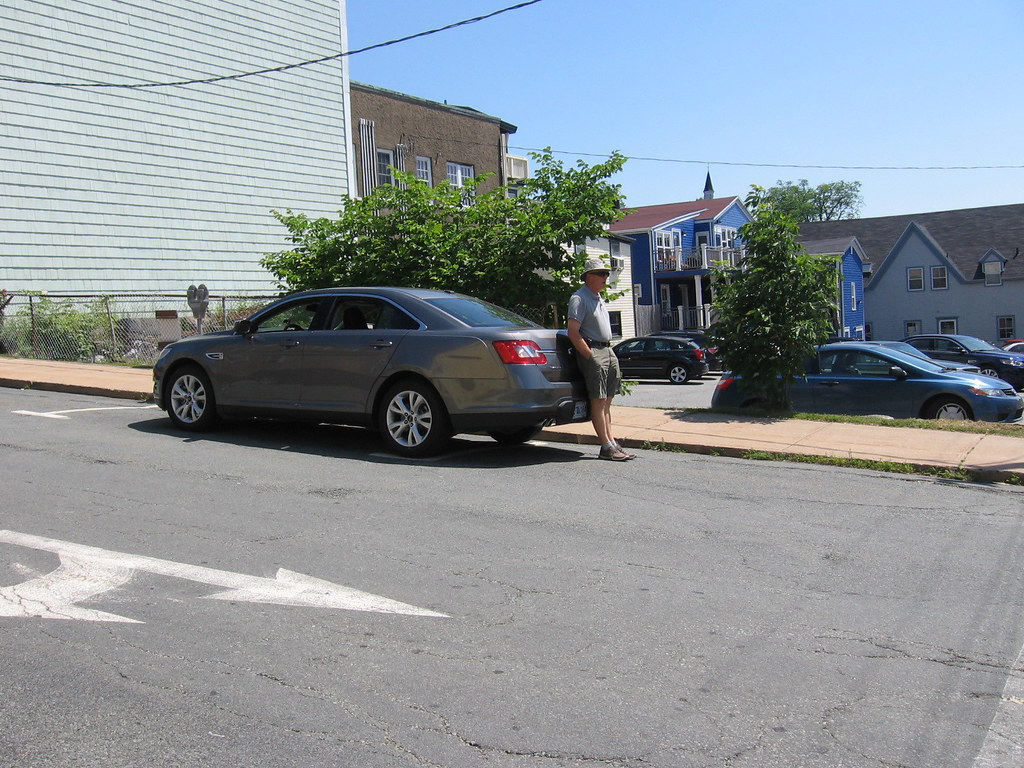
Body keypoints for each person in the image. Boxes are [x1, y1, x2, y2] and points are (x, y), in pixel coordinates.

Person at [567, 257, 636, 461]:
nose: (606, 277)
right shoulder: (579, 298)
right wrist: (590, 357)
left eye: (606, 274)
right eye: (601, 274)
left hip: (608, 349)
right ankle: (605, 445)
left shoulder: (598, 298)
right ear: (589, 277)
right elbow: (573, 332)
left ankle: (612, 442)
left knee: (607, 400)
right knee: (598, 400)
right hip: (594, 350)